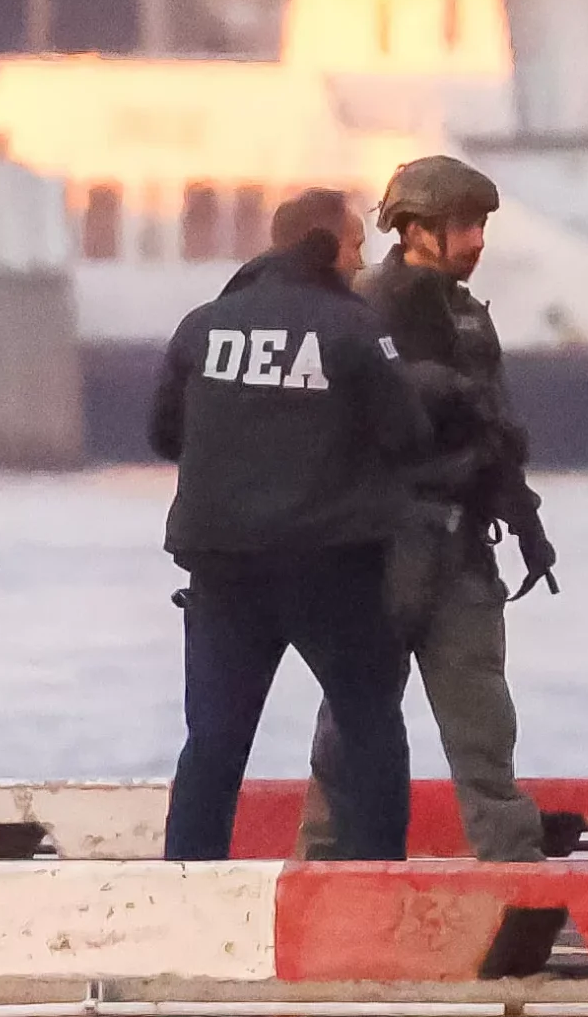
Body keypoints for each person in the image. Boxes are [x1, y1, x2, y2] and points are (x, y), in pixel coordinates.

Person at [151, 188, 430, 862]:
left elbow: (164, 436)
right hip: (330, 564)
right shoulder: (354, 329)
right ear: (324, 245)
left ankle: (187, 879)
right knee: (369, 724)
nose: (360, 261)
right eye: (355, 245)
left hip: (222, 567)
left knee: (214, 740)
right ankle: (374, 876)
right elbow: (408, 435)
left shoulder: (202, 325)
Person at [299, 158, 559, 862]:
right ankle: (323, 864)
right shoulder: (364, 310)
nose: (477, 240)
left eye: (481, 224)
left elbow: (495, 432)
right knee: (353, 721)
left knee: (484, 724)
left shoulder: (466, 314)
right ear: (414, 229)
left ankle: (514, 868)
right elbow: (343, 420)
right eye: (463, 225)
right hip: (385, 548)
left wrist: (525, 520)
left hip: (461, 544)